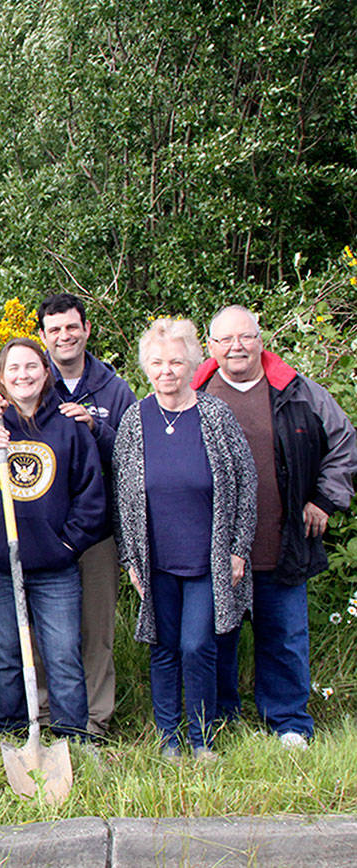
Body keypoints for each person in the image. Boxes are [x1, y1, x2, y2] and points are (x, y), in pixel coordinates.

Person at [0, 292, 136, 736]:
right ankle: (14, 728)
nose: (23, 374)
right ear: (0, 376)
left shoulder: (88, 407)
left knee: (66, 649)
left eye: (31, 367)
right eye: (13, 368)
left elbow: (104, 481)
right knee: (7, 652)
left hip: (61, 556)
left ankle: (77, 731)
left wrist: (66, 543)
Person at [196, 305, 357, 747]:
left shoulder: (297, 391)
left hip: (282, 540)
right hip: (214, 547)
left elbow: (345, 441)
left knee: (285, 636)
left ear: (260, 341)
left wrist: (325, 498)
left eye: (245, 337)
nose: (236, 347)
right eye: (226, 339)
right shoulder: (195, 392)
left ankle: (288, 722)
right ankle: (221, 717)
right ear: (211, 347)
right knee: (217, 635)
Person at [113, 318, 256, 760]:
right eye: (157, 363)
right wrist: (131, 560)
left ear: (194, 362)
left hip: (208, 559)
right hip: (156, 558)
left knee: (198, 645)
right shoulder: (134, 419)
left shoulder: (214, 415)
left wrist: (238, 548)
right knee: (163, 646)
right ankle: (169, 738)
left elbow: (246, 481)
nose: (167, 371)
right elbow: (122, 493)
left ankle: (202, 739)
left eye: (176, 361)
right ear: (146, 368)